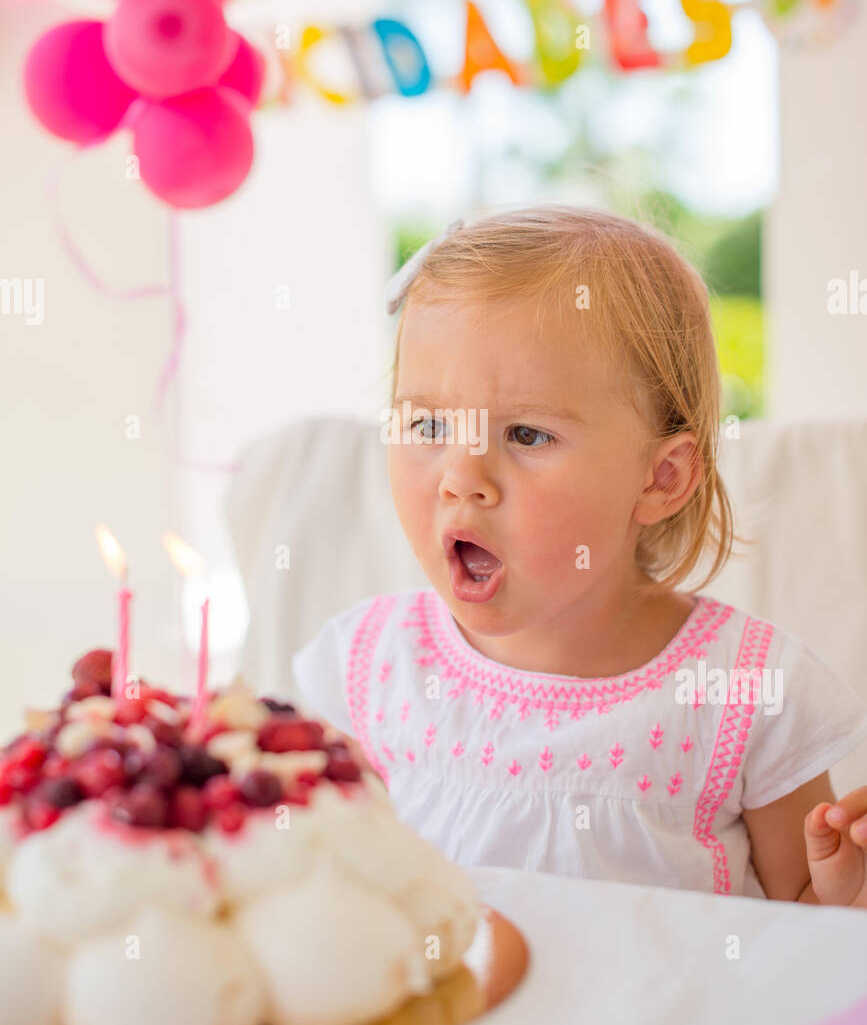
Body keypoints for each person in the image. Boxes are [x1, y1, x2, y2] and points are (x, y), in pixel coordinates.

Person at [293, 206, 867, 906]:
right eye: (430, 424)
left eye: (528, 435)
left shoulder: (745, 691)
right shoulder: (366, 668)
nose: (460, 476)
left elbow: (802, 920)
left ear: (659, 478)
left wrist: (843, 893)